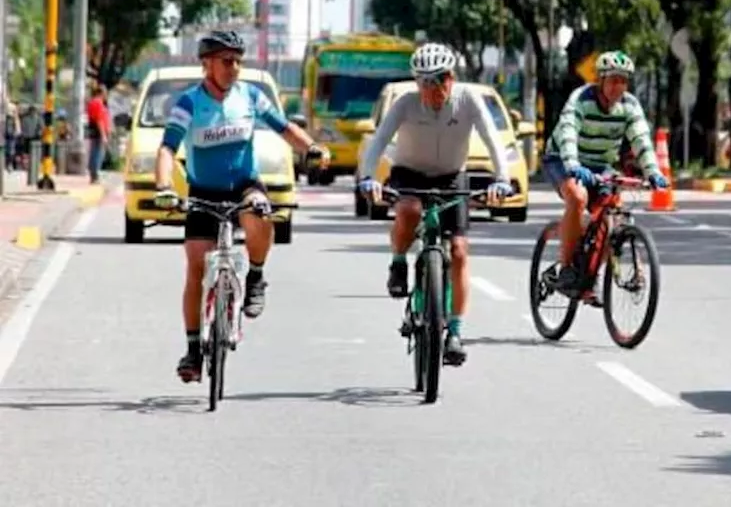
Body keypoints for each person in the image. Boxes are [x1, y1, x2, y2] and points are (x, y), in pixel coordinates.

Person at [153, 30, 331, 383]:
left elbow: (285, 129)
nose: (233, 68)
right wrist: (162, 186)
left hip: (245, 185)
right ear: (206, 64)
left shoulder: (251, 96)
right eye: (225, 61)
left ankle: (257, 275)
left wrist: (312, 148)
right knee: (194, 267)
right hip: (204, 190)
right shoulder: (188, 103)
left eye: (237, 61)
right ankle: (192, 349)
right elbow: (167, 149)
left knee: (260, 210)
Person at [357, 42, 514, 366]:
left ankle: (455, 331)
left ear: (452, 78)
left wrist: (502, 179)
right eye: (425, 81)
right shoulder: (405, 104)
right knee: (410, 210)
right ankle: (399, 261)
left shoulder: (468, 101)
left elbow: (493, 140)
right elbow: (379, 141)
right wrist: (368, 177)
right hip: (409, 173)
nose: (433, 88)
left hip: (451, 177)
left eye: (440, 79)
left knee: (458, 250)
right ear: (417, 83)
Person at [542, 50, 668, 305]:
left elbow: (641, 139)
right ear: (600, 80)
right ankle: (566, 269)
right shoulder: (581, 99)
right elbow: (567, 132)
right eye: (613, 80)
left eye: (623, 81)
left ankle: (589, 278)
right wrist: (573, 164)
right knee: (577, 198)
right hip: (563, 158)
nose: (618, 86)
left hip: (600, 165)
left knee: (613, 215)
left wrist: (653, 171)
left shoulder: (630, 105)